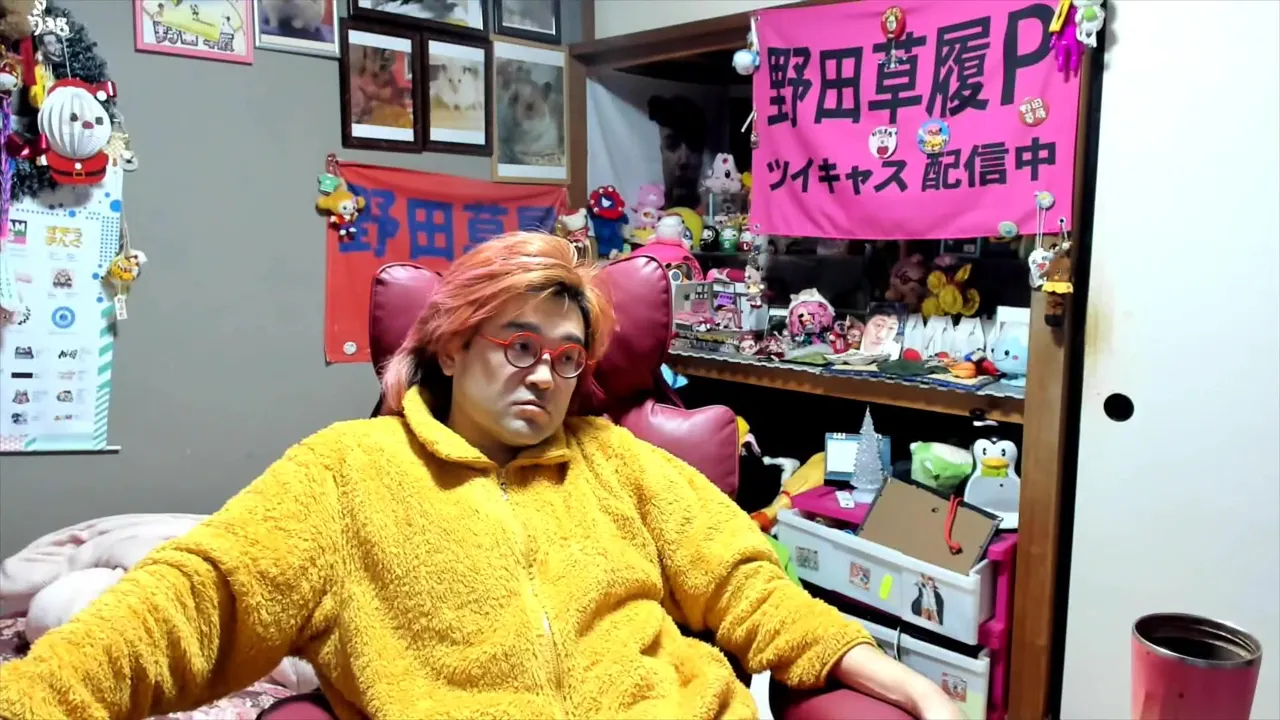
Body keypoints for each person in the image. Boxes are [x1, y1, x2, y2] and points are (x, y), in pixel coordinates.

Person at [0, 232, 962, 720]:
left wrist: (907, 684)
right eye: (519, 344)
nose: (545, 374)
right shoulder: (346, 472)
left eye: (568, 356)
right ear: (454, 346)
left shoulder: (620, 463)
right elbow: (195, 601)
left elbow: (747, 585)